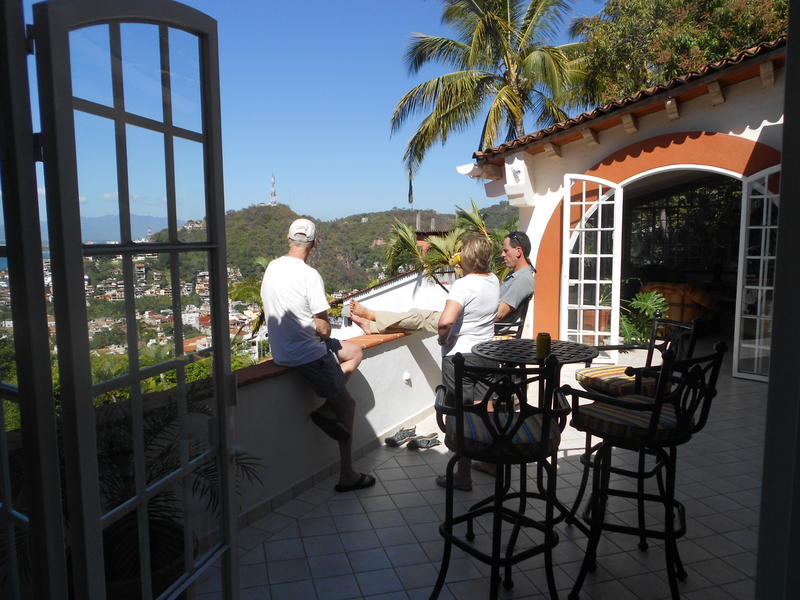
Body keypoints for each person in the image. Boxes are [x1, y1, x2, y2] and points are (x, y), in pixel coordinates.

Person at [260, 218, 374, 492]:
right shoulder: (309, 275)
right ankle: (347, 475)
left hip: (282, 351)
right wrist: (321, 329)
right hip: (308, 354)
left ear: (289, 239)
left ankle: (326, 405)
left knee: (354, 351)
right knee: (347, 406)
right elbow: (323, 329)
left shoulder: (272, 267)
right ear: (314, 244)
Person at [349, 231, 535, 336]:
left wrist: (467, 313)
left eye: (506, 250)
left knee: (420, 316)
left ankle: (372, 316)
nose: (502, 255)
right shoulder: (517, 277)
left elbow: (499, 314)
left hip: (474, 325)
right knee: (421, 315)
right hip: (475, 321)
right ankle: (373, 325)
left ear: (518, 251)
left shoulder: (522, 279)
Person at [434, 234, 499, 491]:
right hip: (487, 354)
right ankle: (491, 462)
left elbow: (445, 321)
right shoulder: (494, 280)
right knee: (486, 406)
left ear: (467, 255)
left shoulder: (463, 285)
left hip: (460, 357)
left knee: (462, 413)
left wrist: (443, 338)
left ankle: (462, 476)